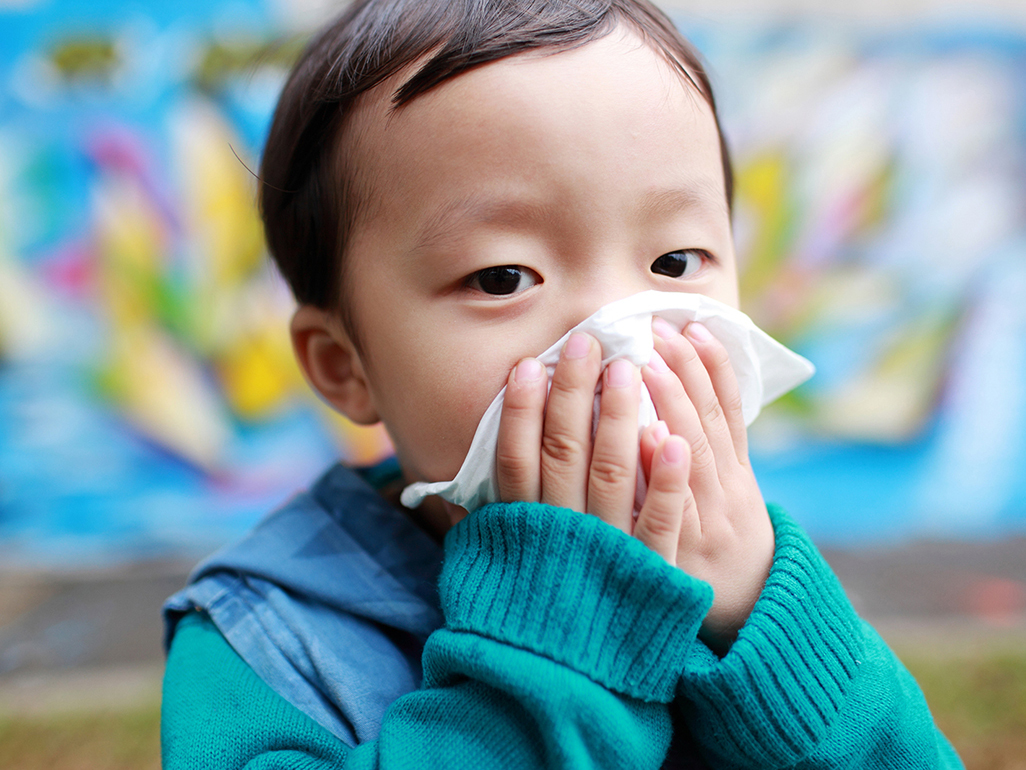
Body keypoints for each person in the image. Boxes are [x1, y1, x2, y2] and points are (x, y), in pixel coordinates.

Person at [161, 0, 963, 767]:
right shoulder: (260, 640)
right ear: (347, 366)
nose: (617, 336)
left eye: (674, 264)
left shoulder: (753, 586)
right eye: (503, 276)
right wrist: (562, 642)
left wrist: (773, 626)